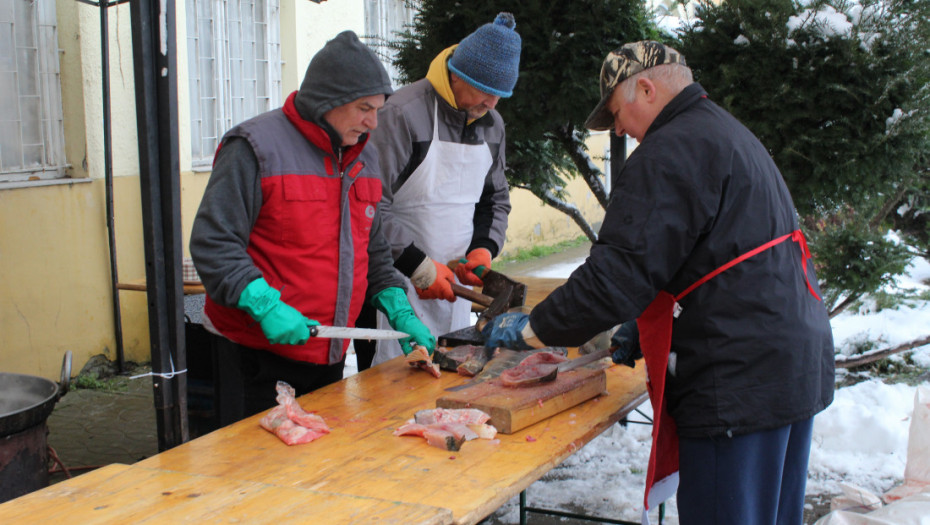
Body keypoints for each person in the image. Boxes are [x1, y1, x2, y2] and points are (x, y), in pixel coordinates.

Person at [482, 41, 835, 525]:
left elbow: (613, 276)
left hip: (737, 379)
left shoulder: (670, 149)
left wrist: (532, 330)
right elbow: (708, 253)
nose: (620, 130)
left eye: (617, 114)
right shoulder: (723, 131)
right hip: (788, 364)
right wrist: (640, 323)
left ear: (645, 88)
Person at [189, 31, 435, 426]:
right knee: (253, 476)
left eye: (379, 109)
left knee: (314, 473)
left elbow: (372, 253)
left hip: (328, 356)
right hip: (252, 354)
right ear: (328, 102)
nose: (374, 121)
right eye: (364, 108)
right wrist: (265, 305)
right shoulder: (254, 147)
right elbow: (212, 242)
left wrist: (398, 307)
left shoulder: (365, 157)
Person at [354, 12, 522, 370]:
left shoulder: (492, 125)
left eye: (499, 96)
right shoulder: (402, 114)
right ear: (458, 75)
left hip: (457, 290)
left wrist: (484, 248)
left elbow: (495, 199)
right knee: (392, 388)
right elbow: (369, 206)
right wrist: (418, 266)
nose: (491, 104)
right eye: (485, 92)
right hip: (393, 284)